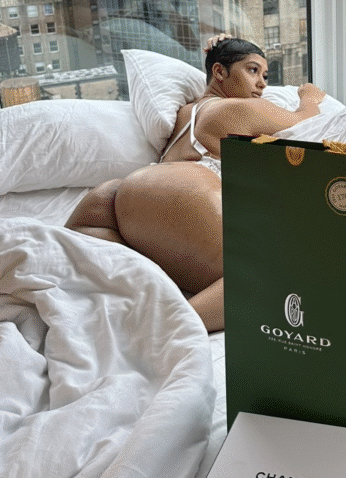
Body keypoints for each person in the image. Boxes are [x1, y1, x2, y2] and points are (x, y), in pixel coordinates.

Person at [65, 36, 325, 333]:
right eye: (253, 70)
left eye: (265, 76)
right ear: (219, 71)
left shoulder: (184, 113)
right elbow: (305, 121)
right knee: (276, 276)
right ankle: (155, 332)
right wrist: (310, 96)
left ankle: (141, 308)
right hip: (183, 193)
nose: (262, 84)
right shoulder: (239, 108)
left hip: (118, 196)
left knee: (89, 267)